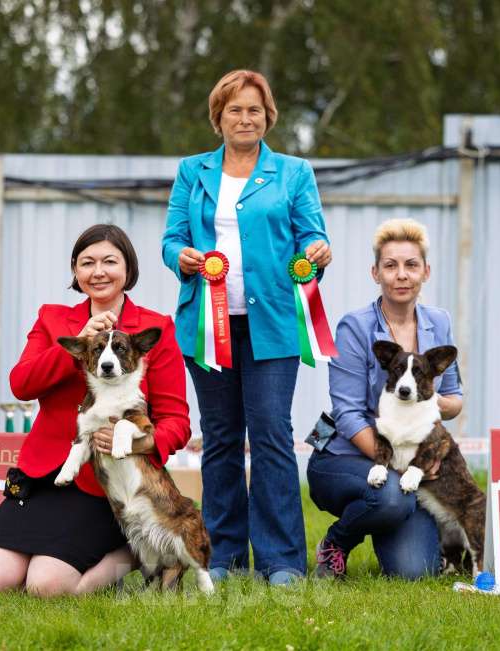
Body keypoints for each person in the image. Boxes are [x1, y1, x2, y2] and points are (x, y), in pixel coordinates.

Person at [161, 69, 331, 586]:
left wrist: (316, 253)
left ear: (268, 116)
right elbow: (170, 238)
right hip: (205, 328)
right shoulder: (193, 171)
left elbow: (313, 236)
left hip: (274, 325)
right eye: (235, 109)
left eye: (254, 109)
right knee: (220, 442)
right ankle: (226, 559)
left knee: (273, 437)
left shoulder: (293, 172)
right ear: (219, 117)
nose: (245, 118)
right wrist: (182, 257)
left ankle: (281, 561)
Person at [0, 224, 191, 597]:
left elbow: (177, 423)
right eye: (87, 262)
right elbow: (22, 384)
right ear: (75, 271)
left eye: (109, 261)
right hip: (43, 474)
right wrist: (79, 343)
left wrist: (137, 442)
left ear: (128, 270)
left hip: (107, 484)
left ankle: (135, 551)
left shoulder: (156, 328)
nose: (98, 271)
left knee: (46, 587)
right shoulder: (52, 319)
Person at [307, 218, 463, 580]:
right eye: (390, 266)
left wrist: (431, 406)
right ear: (375, 273)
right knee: (391, 495)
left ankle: (397, 515)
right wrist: (398, 463)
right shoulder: (355, 326)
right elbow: (346, 414)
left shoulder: (438, 322)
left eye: (411, 265)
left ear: (426, 271)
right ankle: (337, 542)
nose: (401, 275)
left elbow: (454, 399)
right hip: (344, 453)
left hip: (410, 459)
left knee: (414, 572)